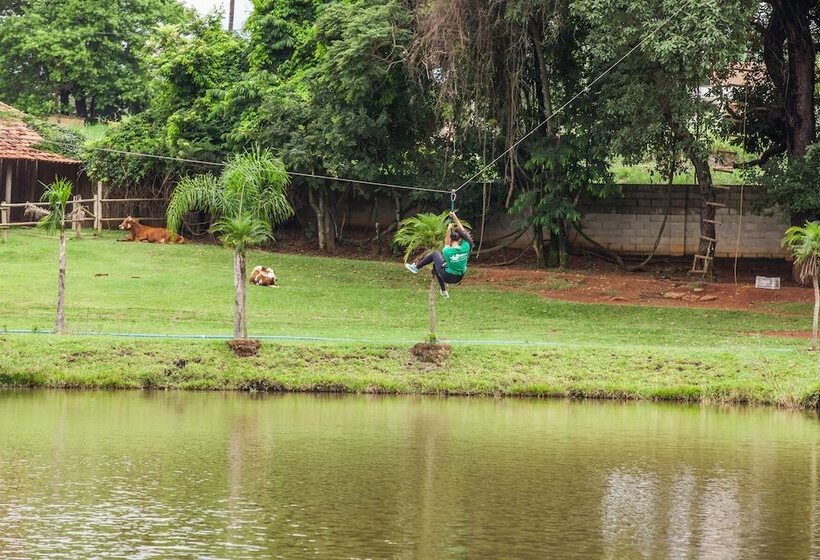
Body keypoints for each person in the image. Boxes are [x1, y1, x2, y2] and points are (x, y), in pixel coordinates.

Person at [405, 212, 473, 298]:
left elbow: (447, 242)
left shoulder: (447, 251)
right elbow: (464, 232)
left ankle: (416, 267)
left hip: (447, 276)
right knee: (436, 266)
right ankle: (444, 291)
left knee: (435, 254)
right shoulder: (466, 247)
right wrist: (455, 217)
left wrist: (448, 229)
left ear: (451, 239)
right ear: (460, 239)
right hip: (458, 278)